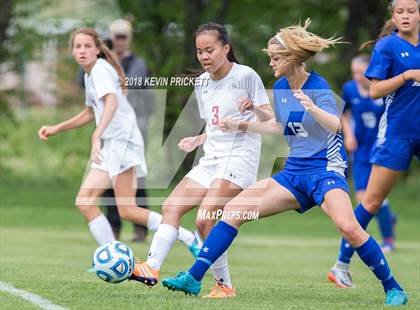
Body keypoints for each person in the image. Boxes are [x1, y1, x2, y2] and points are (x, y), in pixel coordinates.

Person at [161, 19, 408, 306]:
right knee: (233, 210)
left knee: (350, 228)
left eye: (276, 58)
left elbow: (335, 126)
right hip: (293, 174)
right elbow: (280, 126)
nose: (272, 63)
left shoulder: (317, 85)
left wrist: (313, 106)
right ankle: (193, 278)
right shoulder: (280, 86)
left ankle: (393, 288)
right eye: (270, 58)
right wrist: (248, 118)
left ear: (292, 58)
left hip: (324, 172)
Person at [131, 22, 270, 298]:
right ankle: (151, 268)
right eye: (199, 51)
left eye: (210, 50)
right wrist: (198, 139)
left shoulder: (246, 76)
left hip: (239, 158)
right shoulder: (202, 83)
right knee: (172, 205)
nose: (204, 56)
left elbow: (270, 119)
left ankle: (224, 285)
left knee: (205, 219)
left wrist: (252, 111)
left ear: (226, 48)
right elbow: (214, 127)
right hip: (212, 159)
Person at [37, 28, 201, 261]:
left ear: (97, 49)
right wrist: (57, 127)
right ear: (72, 51)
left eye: (87, 46)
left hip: (123, 141)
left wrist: (96, 135)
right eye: (77, 46)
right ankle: (114, 256)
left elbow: (112, 102)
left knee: (127, 210)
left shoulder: (100, 70)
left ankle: (189, 238)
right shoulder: (89, 74)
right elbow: (89, 111)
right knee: (87, 202)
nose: (82, 50)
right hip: (113, 143)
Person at [328, 0, 419, 292]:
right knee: (372, 202)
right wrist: (407, 75)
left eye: (411, 10)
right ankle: (341, 264)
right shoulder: (387, 47)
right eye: (400, 11)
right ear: (393, 15)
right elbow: (375, 90)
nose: (406, 16)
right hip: (397, 133)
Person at [102, 19, 155, 242]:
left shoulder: (139, 64)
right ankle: (113, 227)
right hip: (109, 128)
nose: (120, 41)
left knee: (136, 180)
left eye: (124, 36)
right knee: (107, 179)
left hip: (134, 129)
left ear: (128, 38)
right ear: (110, 37)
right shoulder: (101, 62)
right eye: (117, 36)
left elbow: (147, 97)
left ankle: (140, 228)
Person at [340, 54, 397, 254]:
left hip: (381, 147)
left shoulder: (382, 89)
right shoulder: (349, 89)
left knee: (375, 198)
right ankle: (386, 218)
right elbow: (344, 114)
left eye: (361, 72)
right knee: (363, 197)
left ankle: (388, 239)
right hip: (361, 150)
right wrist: (348, 135)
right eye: (354, 72)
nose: (357, 76)